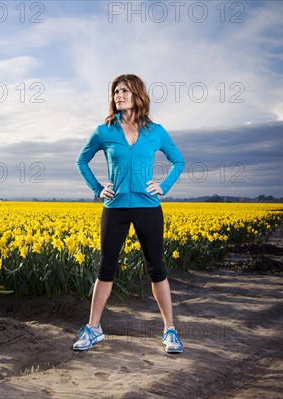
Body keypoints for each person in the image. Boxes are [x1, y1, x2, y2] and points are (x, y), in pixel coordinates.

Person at [74, 74, 185, 353]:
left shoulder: (156, 131)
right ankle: (93, 329)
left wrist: (164, 186)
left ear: (137, 94)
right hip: (116, 207)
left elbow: (178, 161)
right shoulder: (104, 131)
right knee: (106, 268)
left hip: (149, 206)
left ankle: (170, 330)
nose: (118, 95)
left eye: (124, 91)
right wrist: (98, 188)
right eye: (115, 92)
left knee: (156, 268)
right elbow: (82, 161)